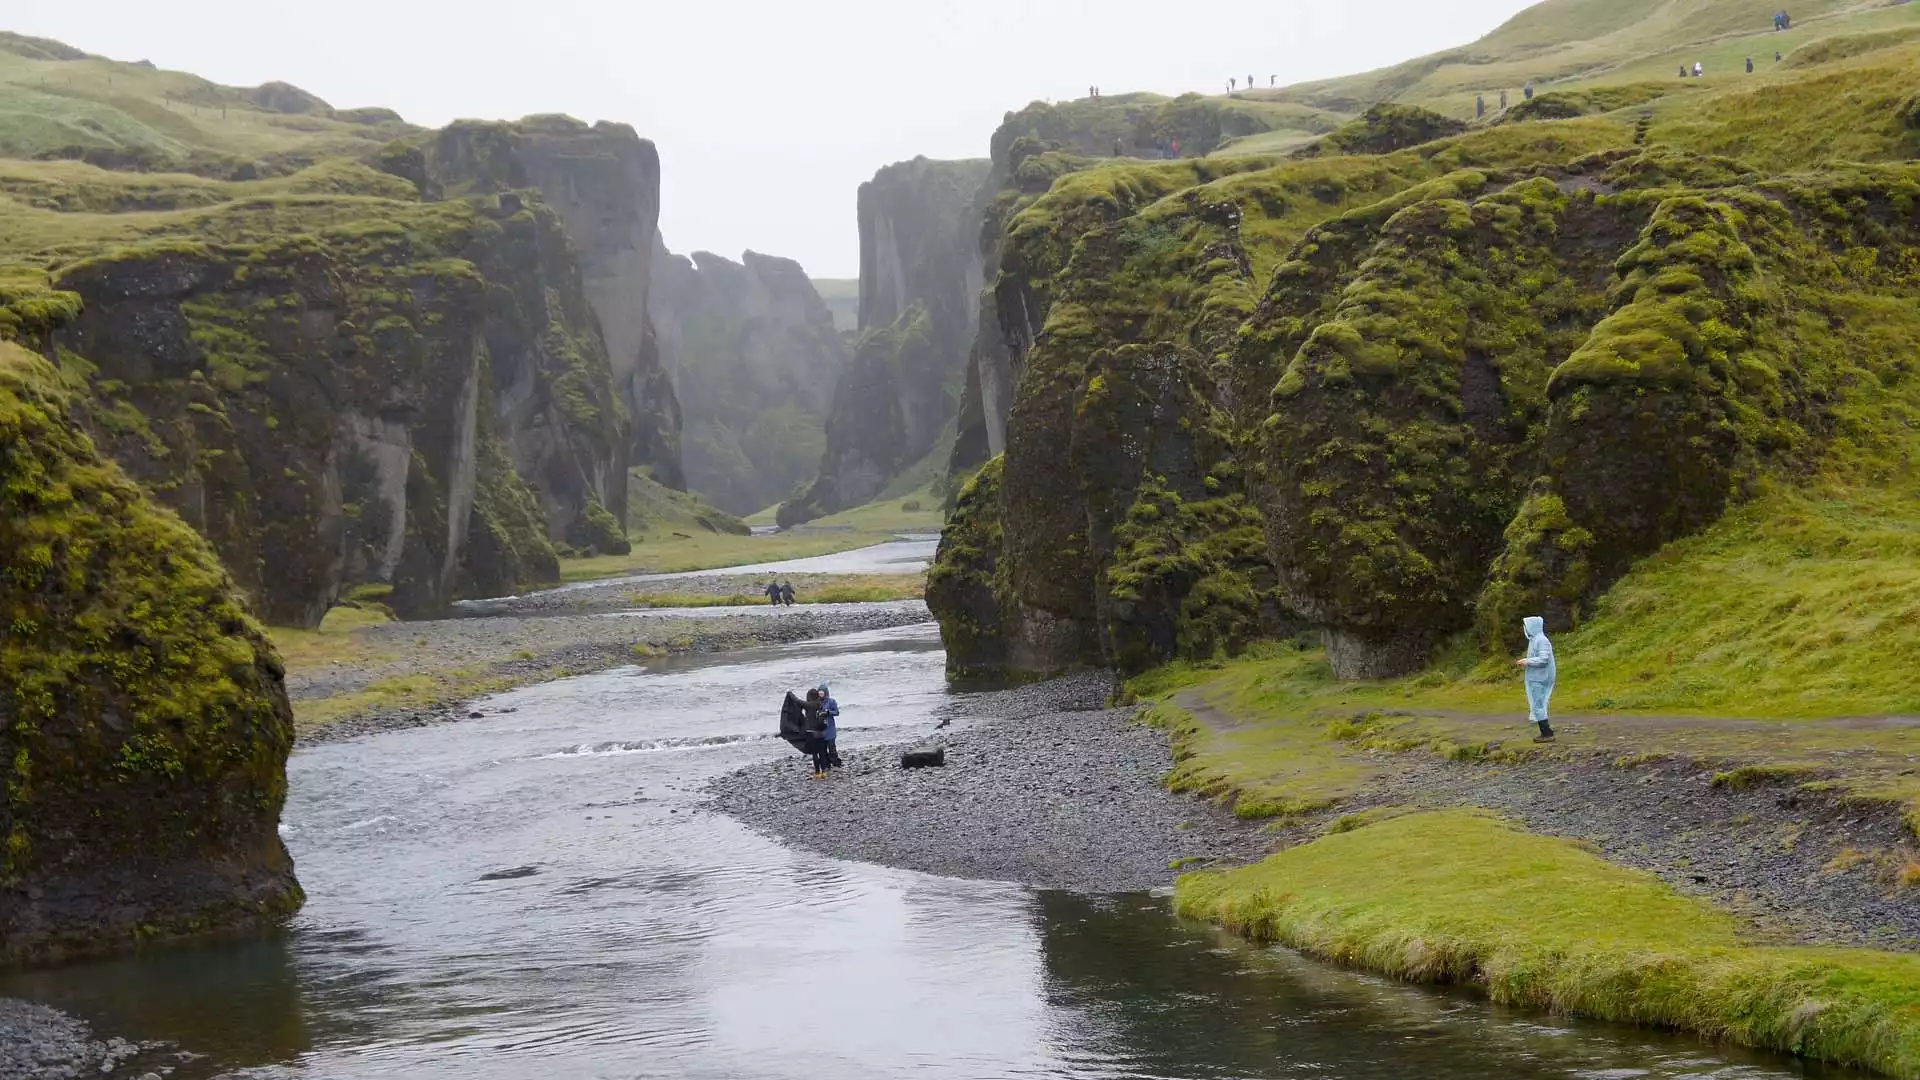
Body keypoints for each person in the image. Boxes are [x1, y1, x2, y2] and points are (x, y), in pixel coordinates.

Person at [1512, 616, 1557, 741]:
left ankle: (1546, 733)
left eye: (1526, 626)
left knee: (1538, 705)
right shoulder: (1534, 640)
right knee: (1537, 704)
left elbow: (1544, 659)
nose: (1525, 629)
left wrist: (1527, 661)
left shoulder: (1541, 640)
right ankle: (1546, 730)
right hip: (1536, 677)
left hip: (1540, 678)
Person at [803, 689, 832, 777]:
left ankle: (817, 772)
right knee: (822, 752)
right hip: (820, 733)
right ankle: (824, 771)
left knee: (815, 754)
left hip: (811, 733)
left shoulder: (807, 707)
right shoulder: (820, 705)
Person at [816, 682, 841, 768]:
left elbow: (837, 712)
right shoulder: (816, 702)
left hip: (830, 729)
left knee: (832, 748)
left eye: (822, 693)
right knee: (822, 749)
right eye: (819, 693)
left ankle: (836, 762)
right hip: (820, 730)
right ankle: (826, 764)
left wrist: (828, 712)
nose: (821, 695)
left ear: (825, 693)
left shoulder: (831, 701)